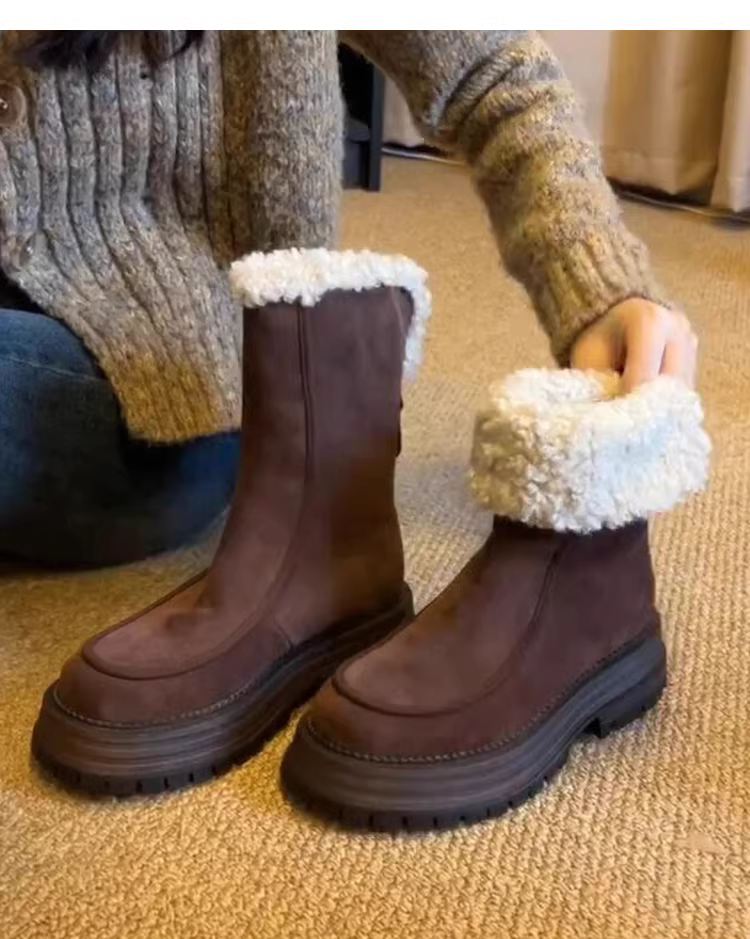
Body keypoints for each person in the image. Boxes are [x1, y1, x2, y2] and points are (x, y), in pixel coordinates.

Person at [5, 32, 700, 817]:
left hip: (147, 362)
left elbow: (486, 66)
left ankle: (545, 612)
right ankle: (339, 577)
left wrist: (599, 280)